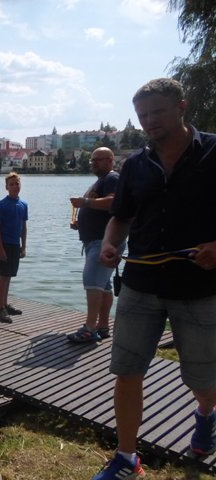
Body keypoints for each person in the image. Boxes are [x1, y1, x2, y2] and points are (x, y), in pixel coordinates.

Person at [93, 78, 216, 479]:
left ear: (182, 107)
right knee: (127, 370)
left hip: (199, 288)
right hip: (139, 284)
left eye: (157, 112)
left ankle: (206, 412)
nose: (149, 121)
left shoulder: (214, 151)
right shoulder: (135, 165)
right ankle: (127, 458)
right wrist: (110, 244)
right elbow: (121, 217)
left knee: (202, 380)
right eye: (142, 115)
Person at [66, 148, 123, 342]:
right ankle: (103, 326)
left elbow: (113, 202)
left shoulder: (112, 178)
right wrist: (81, 223)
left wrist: (85, 202)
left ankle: (90, 328)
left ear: (110, 160)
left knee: (91, 281)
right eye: (92, 160)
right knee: (103, 285)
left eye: (97, 160)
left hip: (104, 241)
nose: (93, 163)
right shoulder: (102, 181)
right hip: (95, 241)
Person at [0, 172, 28, 323]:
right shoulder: (1, 205)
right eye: (11, 184)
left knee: (9, 276)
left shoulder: (23, 204)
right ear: (6, 187)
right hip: (4, 244)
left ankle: (5, 305)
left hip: (15, 244)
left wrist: (23, 246)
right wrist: (0, 249)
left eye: (17, 184)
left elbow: (23, 227)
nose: (14, 186)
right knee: (3, 275)